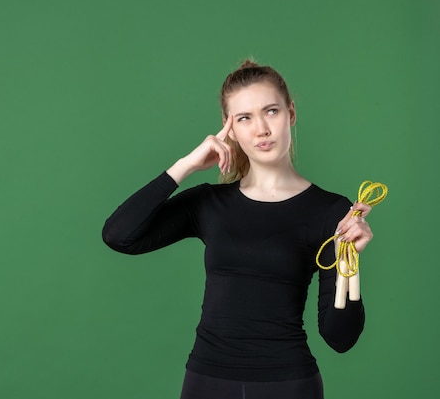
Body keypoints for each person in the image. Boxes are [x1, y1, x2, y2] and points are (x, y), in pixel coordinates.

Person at [101, 59, 374, 399]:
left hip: (289, 384)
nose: (261, 129)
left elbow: (340, 338)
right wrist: (184, 166)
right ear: (229, 129)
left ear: (290, 114)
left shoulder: (330, 210)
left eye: (270, 111)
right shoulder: (209, 203)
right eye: (245, 118)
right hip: (206, 381)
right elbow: (119, 235)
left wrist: (350, 263)